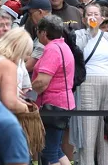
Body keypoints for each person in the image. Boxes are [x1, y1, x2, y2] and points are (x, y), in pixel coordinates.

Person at [73, 2, 108, 165]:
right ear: (83, 18)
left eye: (96, 14)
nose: (93, 17)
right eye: (89, 14)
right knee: (88, 132)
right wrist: (90, 32)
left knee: (107, 134)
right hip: (87, 84)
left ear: (102, 18)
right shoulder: (79, 36)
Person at [32, 15, 76, 165]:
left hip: (53, 105)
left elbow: (42, 82)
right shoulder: (63, 46)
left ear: (44, 33)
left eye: (37, 30)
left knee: (49, 152)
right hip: (64, 103)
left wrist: (26, 90)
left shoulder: (52, 50)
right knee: (55, 149)